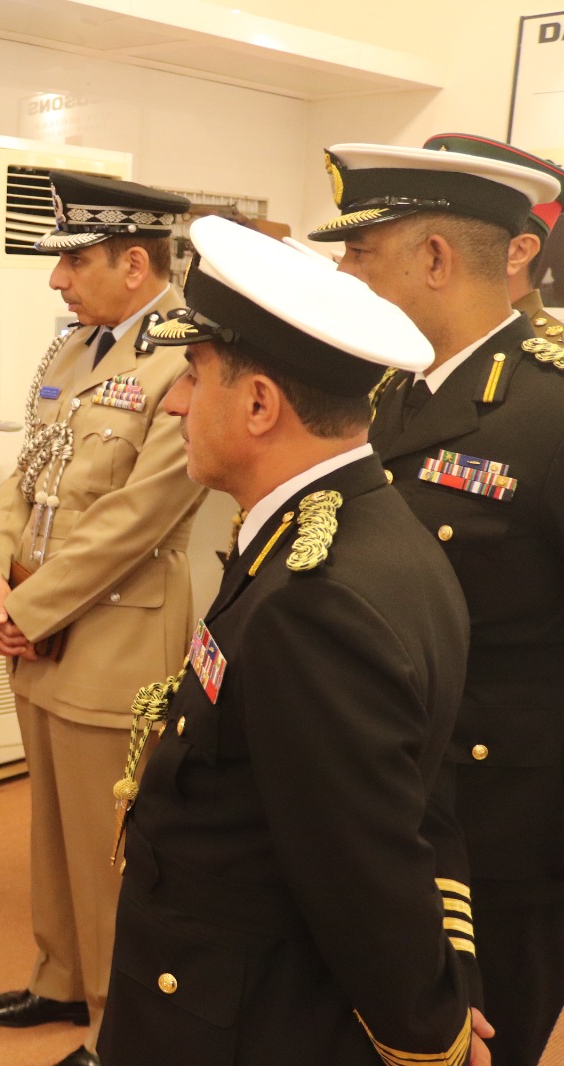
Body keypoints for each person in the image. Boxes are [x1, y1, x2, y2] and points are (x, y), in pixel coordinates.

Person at [100, 214, 483, 1065]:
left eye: (193, 375)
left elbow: (367, 870)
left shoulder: (316, 601)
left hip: (238, 1015)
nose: (174, 401)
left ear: (260, 404)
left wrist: (432, 1031)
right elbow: (418, 798)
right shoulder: (363, 528)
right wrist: (451, 981)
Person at [311, 141, 564, 1066]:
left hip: (504, 830)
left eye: (361, 251)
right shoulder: (381, 392)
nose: (345, 273)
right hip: (385, 798)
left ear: (435, 258)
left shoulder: (550, 410)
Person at [0, 172, 204, 1066]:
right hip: (38, 630)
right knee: (52, 827)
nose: (57, 280)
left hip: (116, 636)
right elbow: (22, 476)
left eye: (74, 262)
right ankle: (60, 977)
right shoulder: (73, 349)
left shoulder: (186, 359)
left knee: (111, 849)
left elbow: (136, 520)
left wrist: (25, 608)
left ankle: (117, 1026)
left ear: (134, 264)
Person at [422, 134, 564, 339]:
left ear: (518, 252)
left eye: (438, 246)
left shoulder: (551, 358)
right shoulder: (417, 343)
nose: (427, 259)